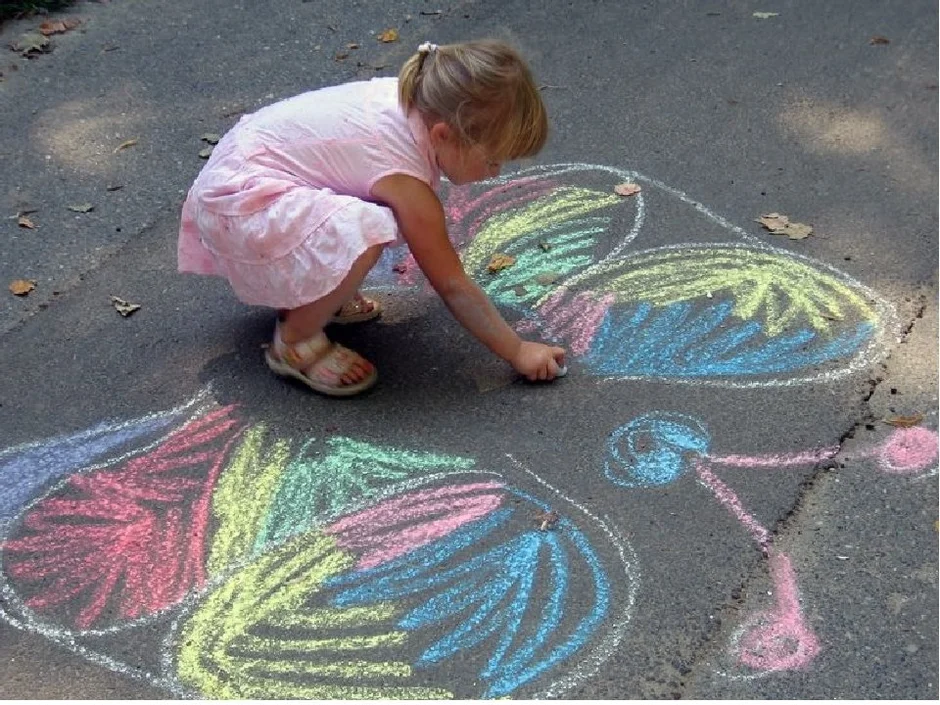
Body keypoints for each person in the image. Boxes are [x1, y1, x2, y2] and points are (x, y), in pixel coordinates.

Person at [178, 39, 566, 397]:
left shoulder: (419, 100)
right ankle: (295, 343)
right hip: (241, 204)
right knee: (367, 229)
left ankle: (319, 295)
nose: (496, 172)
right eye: (492, 159)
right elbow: (452, 284)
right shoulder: (403, 176)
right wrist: (517, 350)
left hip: (240, 175)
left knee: (366, 217)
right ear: (445, 134)